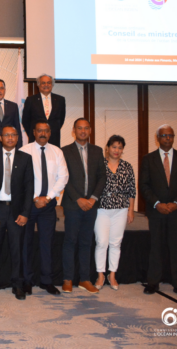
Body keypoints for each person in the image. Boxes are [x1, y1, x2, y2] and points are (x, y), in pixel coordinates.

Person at [141, 125, 177, 300]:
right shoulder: (148, 159)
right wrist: (157, 203)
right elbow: (144, 185)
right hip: (156, 211)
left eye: (170, 135)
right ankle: (153, 282)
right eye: (164, 135)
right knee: (156, 247)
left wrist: (176, 204)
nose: (167, 138)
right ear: (158, 138)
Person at [20, 120, 68, 296]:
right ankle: (27, 280)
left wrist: (47, 198)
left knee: (47, 243)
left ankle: (47, 281)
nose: (42, 134)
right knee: (26, 243)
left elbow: (63, 177)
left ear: (50, 133)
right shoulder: (24, 151)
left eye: (46, 131)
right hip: (28, 205)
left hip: (48, 206)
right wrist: (34, 198)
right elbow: (20, 178)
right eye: (39, 130)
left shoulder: (57, 152)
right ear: (33, 132)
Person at [0, 126, 34, 300]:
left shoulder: (25, 158)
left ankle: (17, 285)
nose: (10, 138)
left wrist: (25, 212)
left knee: (16, 249)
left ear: (18, 138)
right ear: (0, 138)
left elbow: (29, 188)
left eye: (13, 135)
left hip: (16, 212)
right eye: (7, 135)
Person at [61, 118, 106, 294]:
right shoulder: (65, 151)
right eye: (79, 128)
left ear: (90, 130)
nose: (83, 131)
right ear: (74, 131)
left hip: (91, 205)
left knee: (86, 242)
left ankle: (85, 279)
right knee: (70, 241)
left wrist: (93, 199)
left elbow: (102, 177)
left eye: (86, 128)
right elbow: (64, 177)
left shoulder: (97, 150)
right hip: (73, 204)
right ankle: (67, 279)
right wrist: (78, 199)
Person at [94, 135, 136, 291]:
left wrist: (131, 210)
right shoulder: (100, 165)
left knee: (115, 243)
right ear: (107, 148)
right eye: (114, 147)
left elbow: (132, 190)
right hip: (102, 209)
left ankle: (112, 274)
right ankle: (100, 274)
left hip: (121, 210)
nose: (116, 150)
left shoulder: (127, 166)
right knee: (102, 242)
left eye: (120, 147)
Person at [22, 74, 66, 147]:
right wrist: (34, 133)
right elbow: (25, 121)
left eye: (48, 83)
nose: (46, 85)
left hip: (54, 139)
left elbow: (61, 120)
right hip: (35, 139)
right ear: (38, 85)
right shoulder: (31, 100)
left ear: (52, 85)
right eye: (43, 83)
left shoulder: (60, 100)